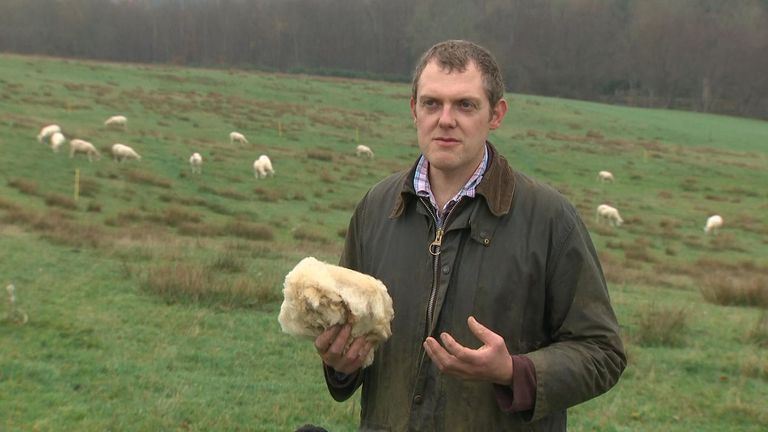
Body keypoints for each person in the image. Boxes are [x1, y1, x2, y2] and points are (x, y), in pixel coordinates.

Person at [312, 40, 626, 431]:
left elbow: (603, 351)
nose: (445, 119)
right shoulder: (376, 209)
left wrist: (515, 371)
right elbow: (353, 340)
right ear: (413, 110)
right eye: (431, 103)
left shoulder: (549, 219)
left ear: (496, 114)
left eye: (465, 105)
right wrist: (341, 364)